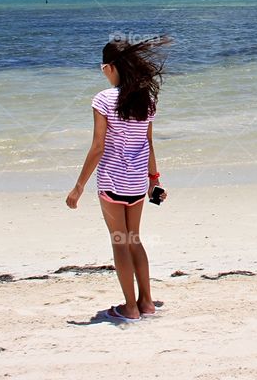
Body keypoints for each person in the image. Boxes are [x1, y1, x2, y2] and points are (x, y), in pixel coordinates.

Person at [66, 37, 168, 323]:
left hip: (112, 183)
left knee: (119, 242)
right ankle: (147, 302)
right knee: (134, 238)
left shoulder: (103, 99)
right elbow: (148, 144)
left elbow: (98, 146)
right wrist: (154, 181)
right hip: (136, 184)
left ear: (110, 67)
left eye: (104, 67)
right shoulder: (145, 100)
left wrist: (78, 187)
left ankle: (130, 308)